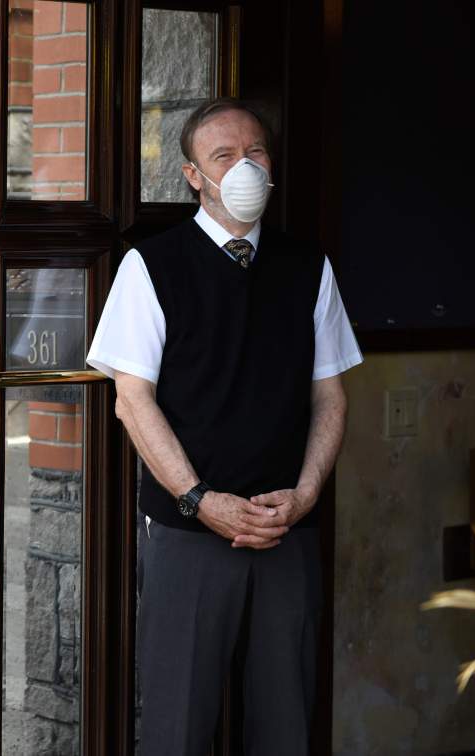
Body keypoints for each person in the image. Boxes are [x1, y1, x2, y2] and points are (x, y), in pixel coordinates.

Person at [86, 99, 362, 754]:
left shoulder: (308, 268)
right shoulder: (149, 266)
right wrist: (197, 499)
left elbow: (331, 397)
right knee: (178, 726)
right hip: (189, 533)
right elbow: (132, 401)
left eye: (256, 152)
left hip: (285, 530)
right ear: (192, 175)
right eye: (224, 156)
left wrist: (306, 494)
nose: (245, 166)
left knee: (286, 724)